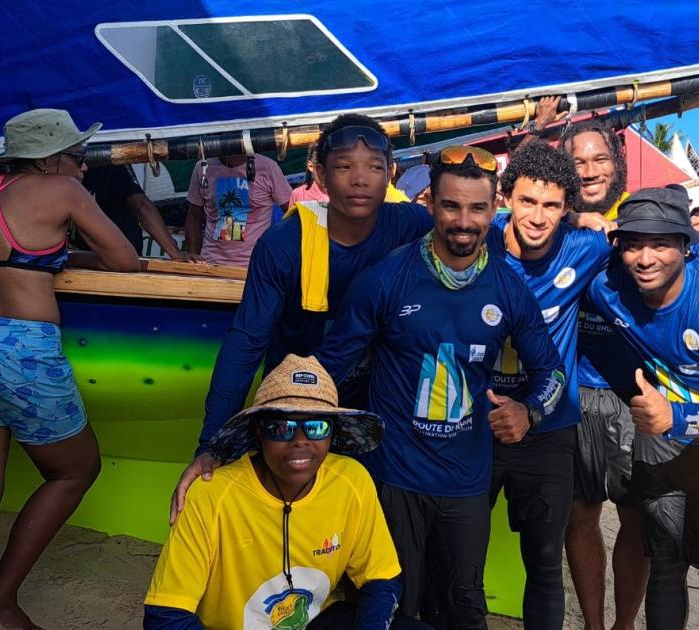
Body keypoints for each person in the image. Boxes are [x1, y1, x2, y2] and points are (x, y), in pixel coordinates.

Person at [313, 146, 565, 628]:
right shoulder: (385, 278)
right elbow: (330, 370)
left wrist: (528, 412)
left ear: (494, 209)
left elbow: (551, 373)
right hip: (395, 478)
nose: (464, 222)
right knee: (392, 608)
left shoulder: (508, 288)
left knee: (464, 609)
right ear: (430, 203)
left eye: (477, 208)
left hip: (466, 484)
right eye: (451, 206)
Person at [170, 116, 434, 524]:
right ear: (321, 176)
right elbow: (246, 343)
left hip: (371, 405)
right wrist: (212, 444)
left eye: (374, 167)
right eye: (344, 166)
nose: (360, 179)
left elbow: (473, 233)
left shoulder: (409, 224)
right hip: (296, 405)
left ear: (390, 174)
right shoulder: (284, 244)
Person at [0, 109, 139, 630]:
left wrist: (46, 255)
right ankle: (3, 604)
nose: (84, 167)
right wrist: (62, 254)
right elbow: (125, 260)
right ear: (48, 159)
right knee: (75, 470)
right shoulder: (62, 191)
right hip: (19, 349)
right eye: (77, 156)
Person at [585, 188, 699, 630]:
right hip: (660, 442)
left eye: (660, 244)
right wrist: (580, 221)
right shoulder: (605, 286)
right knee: (665, 563)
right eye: (633, 245)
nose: (645, 259)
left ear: (685, 246)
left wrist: (675, 417)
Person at [144, 355, 408, 629]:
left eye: (317, 427)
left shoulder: (351, 479)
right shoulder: (211, 494)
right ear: (259, 432)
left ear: (332, 434)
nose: (300, 441)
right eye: (281, 428)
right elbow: (165, 615)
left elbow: (382, 578)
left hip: (315, 619)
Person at [485, 142, 609, 629]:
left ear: (567, 207)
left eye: (552, 205)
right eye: (527, 201)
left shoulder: (587, 247)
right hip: (478, 426)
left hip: (549, 429)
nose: (538, 217)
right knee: (457, 553)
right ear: (506, 198)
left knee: (543, 564)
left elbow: (657, 246)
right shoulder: (478, 239)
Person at [184, 152, 292, 266]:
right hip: (210, 263)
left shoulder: (267, 167)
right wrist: (194, 258)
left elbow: (294, 213)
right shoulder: (203, 168)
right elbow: (194, 218)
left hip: (255, 264)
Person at [75, 165, 201, 261]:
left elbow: (140, 204)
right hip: (90, 257)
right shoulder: (70, 182)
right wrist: (175, 252)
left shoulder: (108, 165)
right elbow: (139, 204)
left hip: (117, 257)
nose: (84, 167)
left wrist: (175, 252)